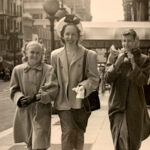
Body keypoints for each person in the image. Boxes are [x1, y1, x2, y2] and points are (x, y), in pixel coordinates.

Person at [51, 15, 99, 150]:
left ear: (78, 36)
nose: (70, 37)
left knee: (79, 133)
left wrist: (84, 86)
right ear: (62, 35)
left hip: (81, 102)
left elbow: (94, 78)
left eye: (73, 34)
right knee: (67, 132)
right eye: (67, 34)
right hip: (62, 101)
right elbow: (52, 78)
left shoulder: (89, 55)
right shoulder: (55, 55)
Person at [105, 29, 150, 150]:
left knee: (133, 144)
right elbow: (107, 79)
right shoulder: (114, 57)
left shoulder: (144, 59)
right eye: (124, 41)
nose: (126, 44)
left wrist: (133, 62)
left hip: (135, 108)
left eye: (129, 41)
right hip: (117, 107)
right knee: (119, 142)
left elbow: (142, 81)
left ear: (136, 41)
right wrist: (117, 63)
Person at [10, 41, 58, 150]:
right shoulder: (18, 70)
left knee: (40, 143)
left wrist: (37, 97)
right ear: (26, 53)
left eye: (38, 53)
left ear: (42, 55)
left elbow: (52, 89)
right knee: (29, 143)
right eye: (32, 52)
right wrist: (19, 98)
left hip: (41, 111)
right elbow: (14, 89)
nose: (35, 55)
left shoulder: (48, 69)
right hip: (24, 111)